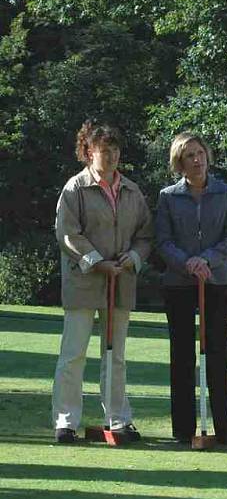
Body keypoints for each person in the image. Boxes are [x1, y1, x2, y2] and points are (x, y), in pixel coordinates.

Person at [52, 120, 153, 443]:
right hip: (84, 283)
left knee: (115, 355)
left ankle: (118, 419)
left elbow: (145, 234)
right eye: (103, 151)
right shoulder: (75, 189)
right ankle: (66, 422)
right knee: (74, 354)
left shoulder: (132, 191)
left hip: (120, 284)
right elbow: (68, 233)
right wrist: (97, 262)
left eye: (115, 150)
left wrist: (132, 259)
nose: (110, 157)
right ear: (88, 152)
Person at [155, 132, 227, 446]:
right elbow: (163, 241)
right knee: (181, 355)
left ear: (207, 156)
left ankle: (224, 428)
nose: (197, 160)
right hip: (179, 283)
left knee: (218, 355)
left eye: (200, 153)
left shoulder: (225, 192)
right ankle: (183, 429)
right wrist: (188, 263)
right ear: (179, 163)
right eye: (189, 155)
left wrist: (206, 259)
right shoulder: (168, 196)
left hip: (217, 281)